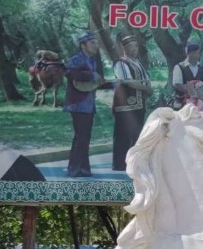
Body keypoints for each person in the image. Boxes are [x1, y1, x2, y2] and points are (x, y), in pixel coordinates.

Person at [62, 32, 106, 177]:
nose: (96, 45)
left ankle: (83, 168)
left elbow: (94, 83)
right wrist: (91, 75)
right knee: (81, 137)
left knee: (84, 137)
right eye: (92, 43)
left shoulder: (92, 61)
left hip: (89, 104)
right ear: (83, 45)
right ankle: (74, 169)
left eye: (96, 43)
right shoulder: (76, 59)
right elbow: (71, 75)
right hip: (78, 104)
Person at [111, 34, 153, 171]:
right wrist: (146, 88)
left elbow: (145, 79)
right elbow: (128, 81)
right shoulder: (121, 63)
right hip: (125, 106)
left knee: (136, 133)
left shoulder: (138, 63)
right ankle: (119, 163)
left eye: (136, 46)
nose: (134, 49)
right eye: (131, 46)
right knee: (123, 134)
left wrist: (148, 89)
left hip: (139, 104)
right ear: (124, 48)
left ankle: (134, 162)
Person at [171, 42, 203, 108]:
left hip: (199, 104)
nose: (197, 55)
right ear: (188, 53)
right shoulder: (179, 67)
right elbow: (177, 84)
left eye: (198, 53)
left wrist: (200, 94)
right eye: (194, 53)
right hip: (182, 103)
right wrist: (191, 92)